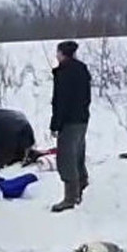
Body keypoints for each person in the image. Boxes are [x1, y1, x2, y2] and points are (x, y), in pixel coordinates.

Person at [50, 40, 91, 212]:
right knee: (78, 154)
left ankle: (70, 197)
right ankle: (82, 184)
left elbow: (61, 101)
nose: (56, 55)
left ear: (62, 54)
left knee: (66, 159)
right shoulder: (82, 69)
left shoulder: (64, 73)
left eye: (58, 52)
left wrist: (55, 124)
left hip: (69, 121)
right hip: (82, 118)